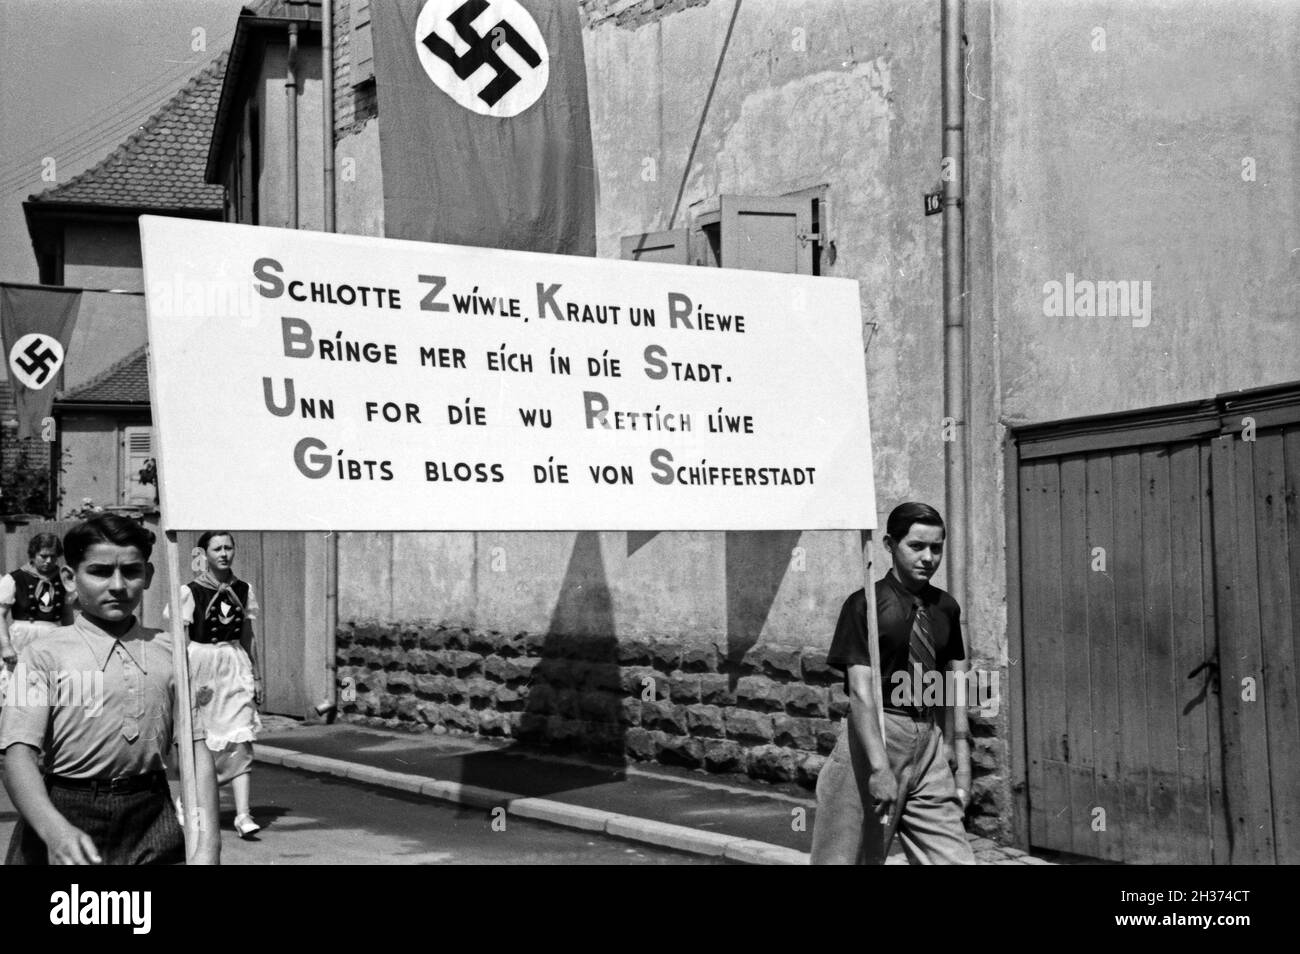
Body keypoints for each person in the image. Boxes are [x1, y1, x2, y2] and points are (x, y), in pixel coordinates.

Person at [0, 514, 220, 864]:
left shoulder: (171, 651)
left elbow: (194, 753)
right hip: (65, 812)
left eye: (131, 571)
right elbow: (17, 758)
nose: (118, 585)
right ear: (70, 578)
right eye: (100, 572)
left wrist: (208, 845)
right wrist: (55, 831)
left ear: (147, 576)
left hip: (150, 815)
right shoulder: (41, 655)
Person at [811, 501, 975, 865]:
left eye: (936, 548)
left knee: (953, 858)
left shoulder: (945, 607)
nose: (928, 557)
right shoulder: (864, 605)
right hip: (876, 735)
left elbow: (947, 676)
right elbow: (860, 692)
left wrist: (948, 744)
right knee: (847, 858)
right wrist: (880, 767)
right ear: (889, 544)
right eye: (916, 546)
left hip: (927, 741)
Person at [170, 531, 263, 838]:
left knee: (241, 738)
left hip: (233, 663)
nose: (224, 553)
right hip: (202, 664)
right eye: (217, 548)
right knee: (203, 740)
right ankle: (186, 801)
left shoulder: (243, 588)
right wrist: (182, 677)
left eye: (228, 547)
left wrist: (257, 675)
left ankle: (242, 814)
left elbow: (248, 635)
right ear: (205, 554)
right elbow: (180, 639)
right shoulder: (190, 591)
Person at [0, 532, 72, 671]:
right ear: (33, 555)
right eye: (43, 556)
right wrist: (6, 647)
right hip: (23, 639)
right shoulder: (15, 578)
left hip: (54, 638)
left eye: (53, 556)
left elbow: (67, 615)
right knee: (20, 684)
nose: (49, 561)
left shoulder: (63, 579)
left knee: (50, 684)